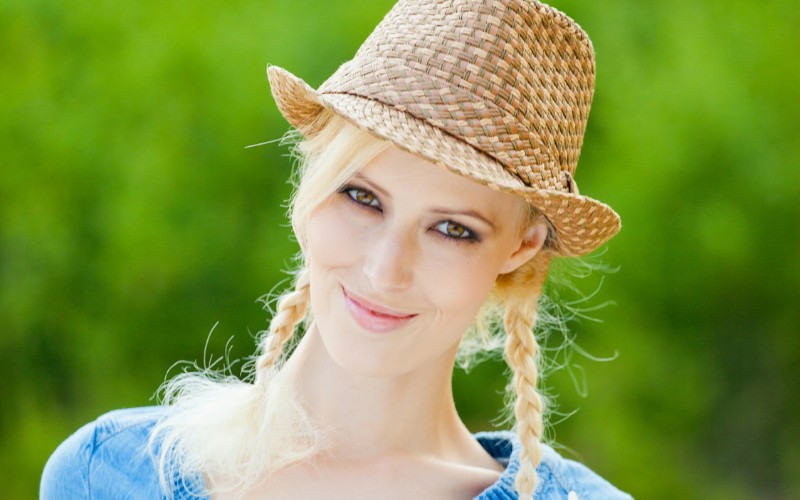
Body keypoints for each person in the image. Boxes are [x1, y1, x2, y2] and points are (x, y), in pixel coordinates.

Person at [41, 0, 632, 498]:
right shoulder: (110, 474)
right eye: (361, 197)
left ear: (521, 248)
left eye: (453, 229)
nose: (384, 269)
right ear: (310, 186)